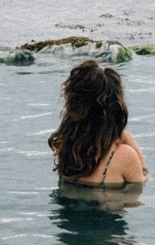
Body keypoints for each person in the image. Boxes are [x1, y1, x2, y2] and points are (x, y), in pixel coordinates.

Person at [49, 58, 149, 186]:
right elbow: (136, 200)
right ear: (116, 108)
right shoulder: (124, 155)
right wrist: (138, 156)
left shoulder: (67, 149)